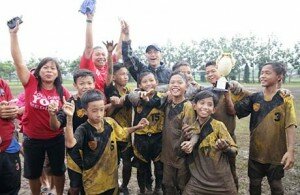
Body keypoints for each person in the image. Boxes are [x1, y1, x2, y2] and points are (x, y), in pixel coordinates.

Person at [9, 21, 70, 195]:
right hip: (32, 139)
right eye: (45, 67)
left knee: (58, 170)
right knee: (33, 172)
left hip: (55, 138)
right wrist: (13, 35)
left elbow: (67, 113)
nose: (49, 70)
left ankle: (58, 193)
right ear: (39, 71)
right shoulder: (31, 83)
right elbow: (18, 61)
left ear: (57, 73)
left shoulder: (62, 91)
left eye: (53, 68)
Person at [63, 89, 149, 194]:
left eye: (101, 109)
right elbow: (70, 144)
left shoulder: (110, 122)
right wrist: (69, 118)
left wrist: (137, 127)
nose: (99, 114)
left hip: (111, 179)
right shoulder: (83, 129)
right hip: (92, 181)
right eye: (94, 111)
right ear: (85, 112)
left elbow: (122, 132)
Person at [234, 62, 297, 195]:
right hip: (256, 152)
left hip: (276, 153)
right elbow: (236, 107)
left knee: (276, 185)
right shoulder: (255, 97)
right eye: (261, 73)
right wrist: (231, 87)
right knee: (254, 184)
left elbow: (290, 125)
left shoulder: (285, 98)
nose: (262, 76)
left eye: (267, 73)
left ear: (279, 77)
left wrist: (290, 151)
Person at [181, 90, 238, 195]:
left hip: (221, 181)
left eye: (209, 104)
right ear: (194, 106)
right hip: (197, 181)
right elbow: (186, 152)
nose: (205, 107)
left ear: (214, 110)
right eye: (202, 103)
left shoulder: (218, 126)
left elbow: (234, 151)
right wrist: (186, 144)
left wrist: (225, 148)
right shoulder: (190, 127)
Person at [49, 69, 95, 195]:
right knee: (75, 186)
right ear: (75, 85)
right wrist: (52, 115)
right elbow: (56, 125)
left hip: (94, 148)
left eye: (89, 83)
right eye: (82, 83)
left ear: (94, 84)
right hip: (75, 150)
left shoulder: (98, 100)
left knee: (91, 184)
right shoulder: (70, 103)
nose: (86, 86)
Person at [205, 60, 249, 189]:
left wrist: (281, 90)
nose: (210, 74)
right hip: (209, 138)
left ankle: (233, 190)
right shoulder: (207, 91)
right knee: (212, 171)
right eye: (207, 72)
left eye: (213, 71)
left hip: (227, 138)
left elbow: (233, 111)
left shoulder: (233, 88)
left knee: (230, 169)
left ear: (222, 70)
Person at [124, 71, 166, 194]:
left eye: (151, 80)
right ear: (140, 84)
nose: (149, 83)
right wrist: (137, 94)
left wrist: (147, 99)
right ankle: (144, 189)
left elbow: (157, 102)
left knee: (159, 166)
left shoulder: (162, 96)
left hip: (157, 137)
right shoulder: (136, 96)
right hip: (141, 138)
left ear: (157, 82)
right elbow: (129, 96)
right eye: (145, 81)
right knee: (142, 167)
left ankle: (158, 188)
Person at [160, 71, 196, 194]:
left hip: (180, 155)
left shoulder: (187, 106)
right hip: (167, 153)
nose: (175, 85)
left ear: (186, 86)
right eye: (172, 82)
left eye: (179, 82)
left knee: (182, 185)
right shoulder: (167, 103)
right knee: (167, 184)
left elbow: (189, 133)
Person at [104, 63, 133, 195]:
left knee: (127, 163)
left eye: (127, 74)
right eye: (122, 74)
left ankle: (125, 186)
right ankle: (113, 185)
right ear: (114, 77)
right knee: (113, 162)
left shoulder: (129, 92)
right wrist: (114, 105)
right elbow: (108, 114)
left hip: (126, 131)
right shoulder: (110, 90)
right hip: (112, 133)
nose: (126, 77)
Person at [79, 11, 122, 93]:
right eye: (97, 54)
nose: (101, 57)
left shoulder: (107, 66)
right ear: (91, 57)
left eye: (103, 54)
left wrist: (123, 32)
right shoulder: (88, 66)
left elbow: (119, 51)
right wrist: (89, 20)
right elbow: (88, 47)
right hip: (92, 103)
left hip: (106, 103)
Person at [0, 78, 21, 195]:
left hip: (8, 146)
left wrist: (12, 111)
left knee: (11, 188)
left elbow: (12, 113)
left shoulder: (2, 84)